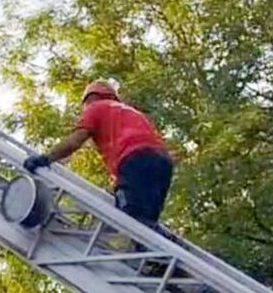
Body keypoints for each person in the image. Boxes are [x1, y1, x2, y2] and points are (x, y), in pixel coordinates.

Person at [23, 80, 174, 228]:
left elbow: (75, 141)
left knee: (131, 220)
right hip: (162, 162)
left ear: (90, 99)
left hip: (135, 159)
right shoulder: (133, 112)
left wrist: (45, 158)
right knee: (147, 226)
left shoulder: (95, 108)